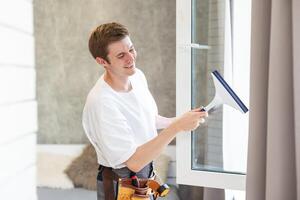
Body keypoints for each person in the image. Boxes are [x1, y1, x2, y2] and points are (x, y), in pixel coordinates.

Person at [82, 22, 208, 200]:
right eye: (121, 55)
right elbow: (133, 163)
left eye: (131, 49)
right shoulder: (102, 102)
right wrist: (177, 127)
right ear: (102, 61)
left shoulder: (137, 76)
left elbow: (148, 118)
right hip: (122, 183)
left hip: (145, 173)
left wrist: (182, 120)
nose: (130, 59)